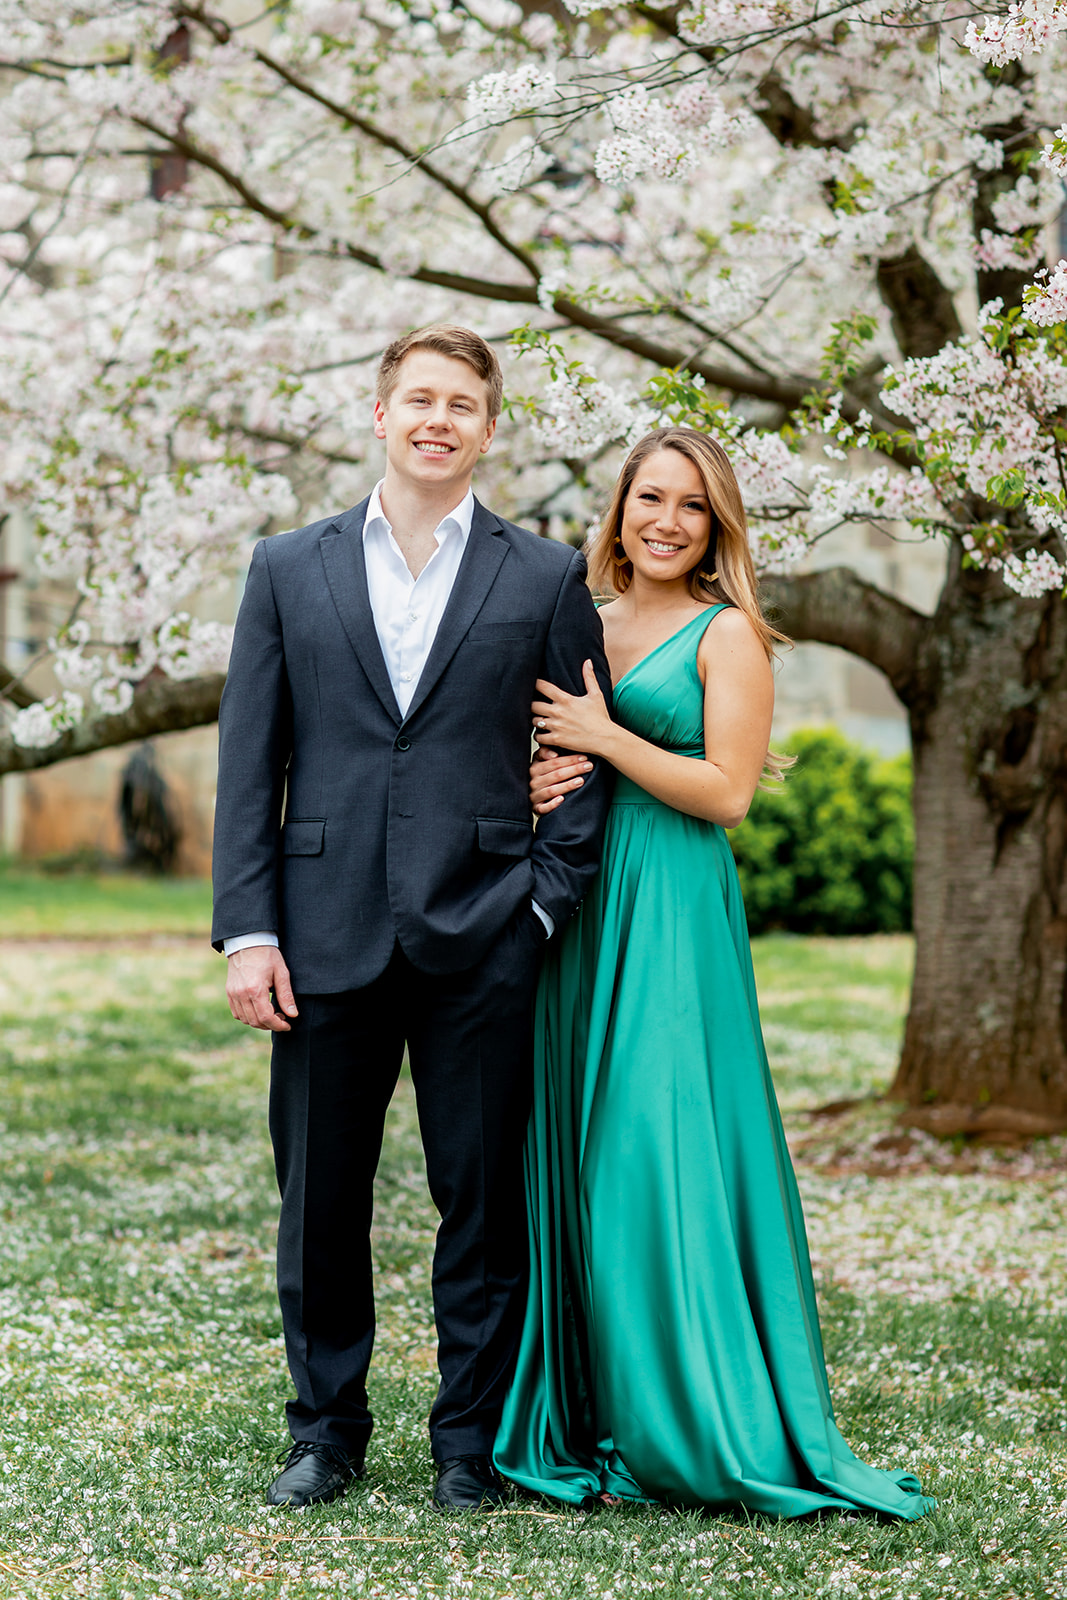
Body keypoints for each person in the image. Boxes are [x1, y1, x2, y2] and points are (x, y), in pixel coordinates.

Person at [492, 426, 933, 1520]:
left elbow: (725, 791)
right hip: (585, 904)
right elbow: (546, 758)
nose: (665, 521)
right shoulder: (582, 622)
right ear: (618, 510)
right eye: (649, 498)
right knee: (582, 1150)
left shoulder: (726, 632)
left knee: (656, 1148)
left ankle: (687, 1421)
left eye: (691, 506)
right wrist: (546, 781)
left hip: (673, 904)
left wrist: (601, 737)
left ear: (715, 525)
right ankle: (589, 1408)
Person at [211, 325, 613, 1512]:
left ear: (490, 429)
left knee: (480, 1207)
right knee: (319, 1205)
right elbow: (252, 761)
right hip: (318, 934)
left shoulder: (541, 577)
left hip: (483, 931)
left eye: (462, 404)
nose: (438, 418)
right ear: (378, 415)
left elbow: (578, 762)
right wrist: (249, 931)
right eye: (417, 399)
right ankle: (324, 1435)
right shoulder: (289, 566)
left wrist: (538, 907)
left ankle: (466, 1447)